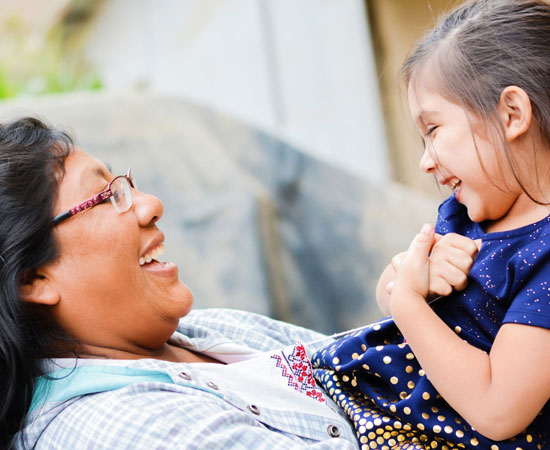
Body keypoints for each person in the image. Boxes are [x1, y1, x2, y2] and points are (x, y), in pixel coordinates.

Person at [0, 117, 360, 449]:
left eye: (123, 185)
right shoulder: (124, 429)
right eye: (107, 197)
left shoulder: (213, 331)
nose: (151, 204)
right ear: (33, 277)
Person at [312, 0, 550, 449]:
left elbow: (498, 408)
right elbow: (387, 291)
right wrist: (411, 277)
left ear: (512, 114)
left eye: (434, 129)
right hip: (360, 401)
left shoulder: (544, 257)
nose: (425, 161)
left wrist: (409, 303)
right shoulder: (470, 214)